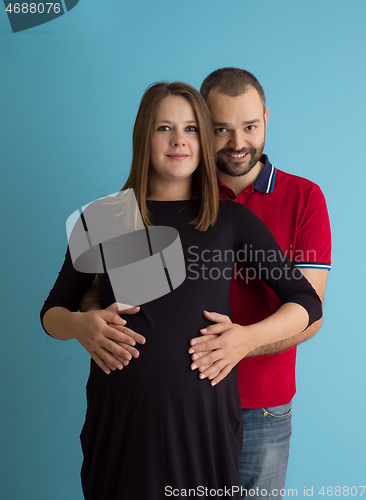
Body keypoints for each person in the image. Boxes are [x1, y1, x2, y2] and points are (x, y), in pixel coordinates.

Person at [41, 81, 323, 500]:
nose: (179, 141)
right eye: (164, 128)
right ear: (144, 136)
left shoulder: (230, 221)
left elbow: (307, 302)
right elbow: (53, 311)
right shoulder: (104, 217)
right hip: (121, 422)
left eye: (191, 129)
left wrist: (247, 337)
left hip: (203, 424)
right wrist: (82, 326)